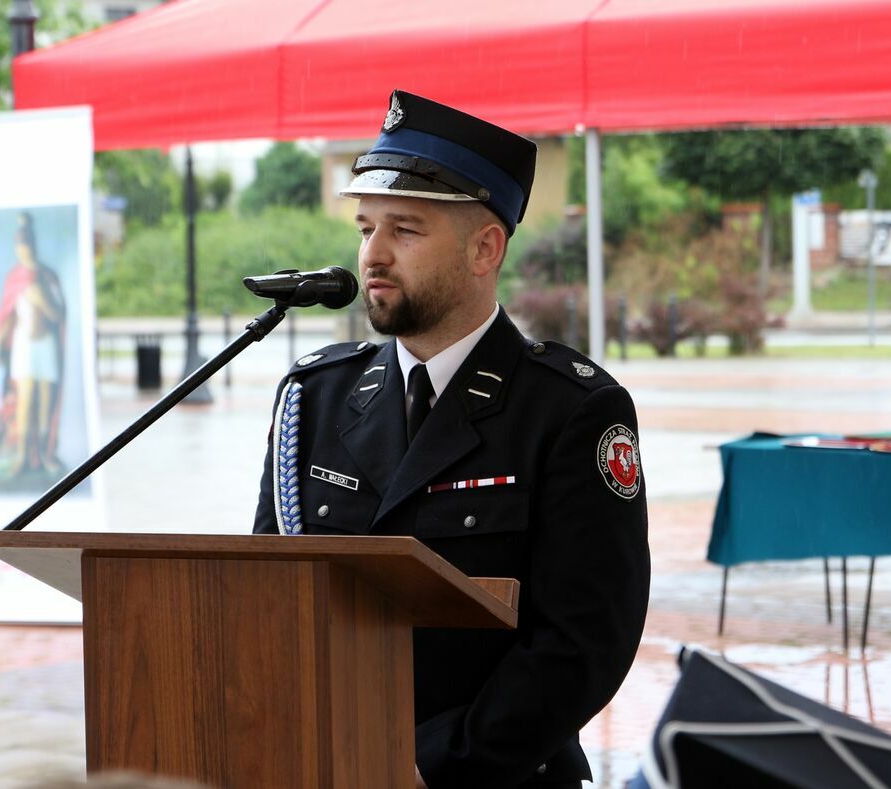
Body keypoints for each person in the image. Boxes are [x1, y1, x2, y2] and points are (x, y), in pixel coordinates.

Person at [253, 90, 650, 789]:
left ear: (484, 248)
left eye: (404, 230)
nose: (373, 255)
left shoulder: (570, 411)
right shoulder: (315, 396)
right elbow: (267, 599)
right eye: (366, 228)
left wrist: (429, 765)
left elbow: (584, 641)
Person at [0, 212, 67, 482]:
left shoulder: (47, 276)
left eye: (27, 244)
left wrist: (42, 299)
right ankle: (22, 455)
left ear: (33, 245)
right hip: (24, 343)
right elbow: (8, 315)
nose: (24, 250)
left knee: (46, 397)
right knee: (25, 398)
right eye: (20, 246)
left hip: (45, 343)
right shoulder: (15, 277)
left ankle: (44, 453)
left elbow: (59, 315)